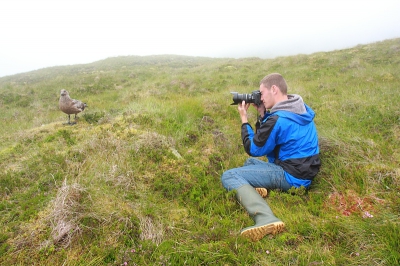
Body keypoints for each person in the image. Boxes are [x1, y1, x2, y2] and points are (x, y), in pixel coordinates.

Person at [221, 73, 320, 241]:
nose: (260, 98)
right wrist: (262, 114)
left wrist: (244, 119)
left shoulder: (279, 119)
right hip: (305, 171)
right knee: (249, 163)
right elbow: (269, 139)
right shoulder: (298, 108)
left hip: (292, 176)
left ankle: (266, 218)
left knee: (230, 175)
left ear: (273, 89)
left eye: (262, 93)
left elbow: (254, 147)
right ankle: (257, 190)